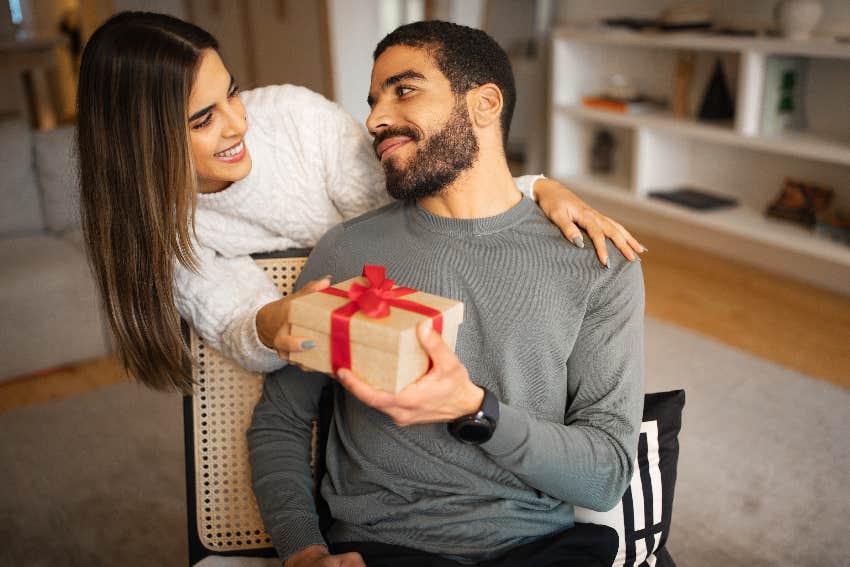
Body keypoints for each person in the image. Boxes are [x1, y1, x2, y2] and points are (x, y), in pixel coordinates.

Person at [75, 11, 646, 394]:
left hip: (418, 281)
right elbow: (239, 327)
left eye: (232, 93)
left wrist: (536, 189)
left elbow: (425, 191)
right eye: (203, 119)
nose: (237, 124)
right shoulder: (164, 230)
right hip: (324, 350)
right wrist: (282, 318)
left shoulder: (295, 119)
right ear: (142, 144)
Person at [248, 20, 645, 567]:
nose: (375, 119)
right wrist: (303, 550)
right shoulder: (346, 251)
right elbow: (282, 419)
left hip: (540, 548)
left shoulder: (598, 260)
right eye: (373, 100)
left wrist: (475, 410)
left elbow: (606, 476)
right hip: (383, 545)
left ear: (484, 104)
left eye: (404, 89)